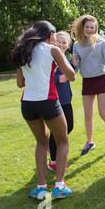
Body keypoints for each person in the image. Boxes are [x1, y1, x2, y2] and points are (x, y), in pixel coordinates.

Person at [11, 21, 75, 199]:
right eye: (54, 34)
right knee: (62, 141)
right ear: (50, 34)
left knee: (41, 143)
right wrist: (60, 53)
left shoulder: (23, 51)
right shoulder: (52, 50)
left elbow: (20, 83)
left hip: (28, 103)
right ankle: (59, 186)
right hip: (48, 101)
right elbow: (72, 75)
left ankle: (40, 188)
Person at [72, 15, 105, 156]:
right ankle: (90, 141)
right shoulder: (76, 45)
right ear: (82, 27)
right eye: (87, 27)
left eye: (92, 27)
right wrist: (74, 64)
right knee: (88, 115)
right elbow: (76, 68)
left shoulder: (102, 43)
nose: (90, 29)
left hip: (102, 79)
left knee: (102, 112)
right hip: (87, 81)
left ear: (96, 29)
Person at [48, 31, 75, 173]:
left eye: (65, 42)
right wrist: (59, 79)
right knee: (57, 130)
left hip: (66, 100)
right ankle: (53, 160)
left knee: (69, 126)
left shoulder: (64, 58)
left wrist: (75, 65)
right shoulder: (51, 58)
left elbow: (70, 74)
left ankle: (58, 150)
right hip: (54, 100)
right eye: (59, 41)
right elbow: (45, 78)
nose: (62, 44)